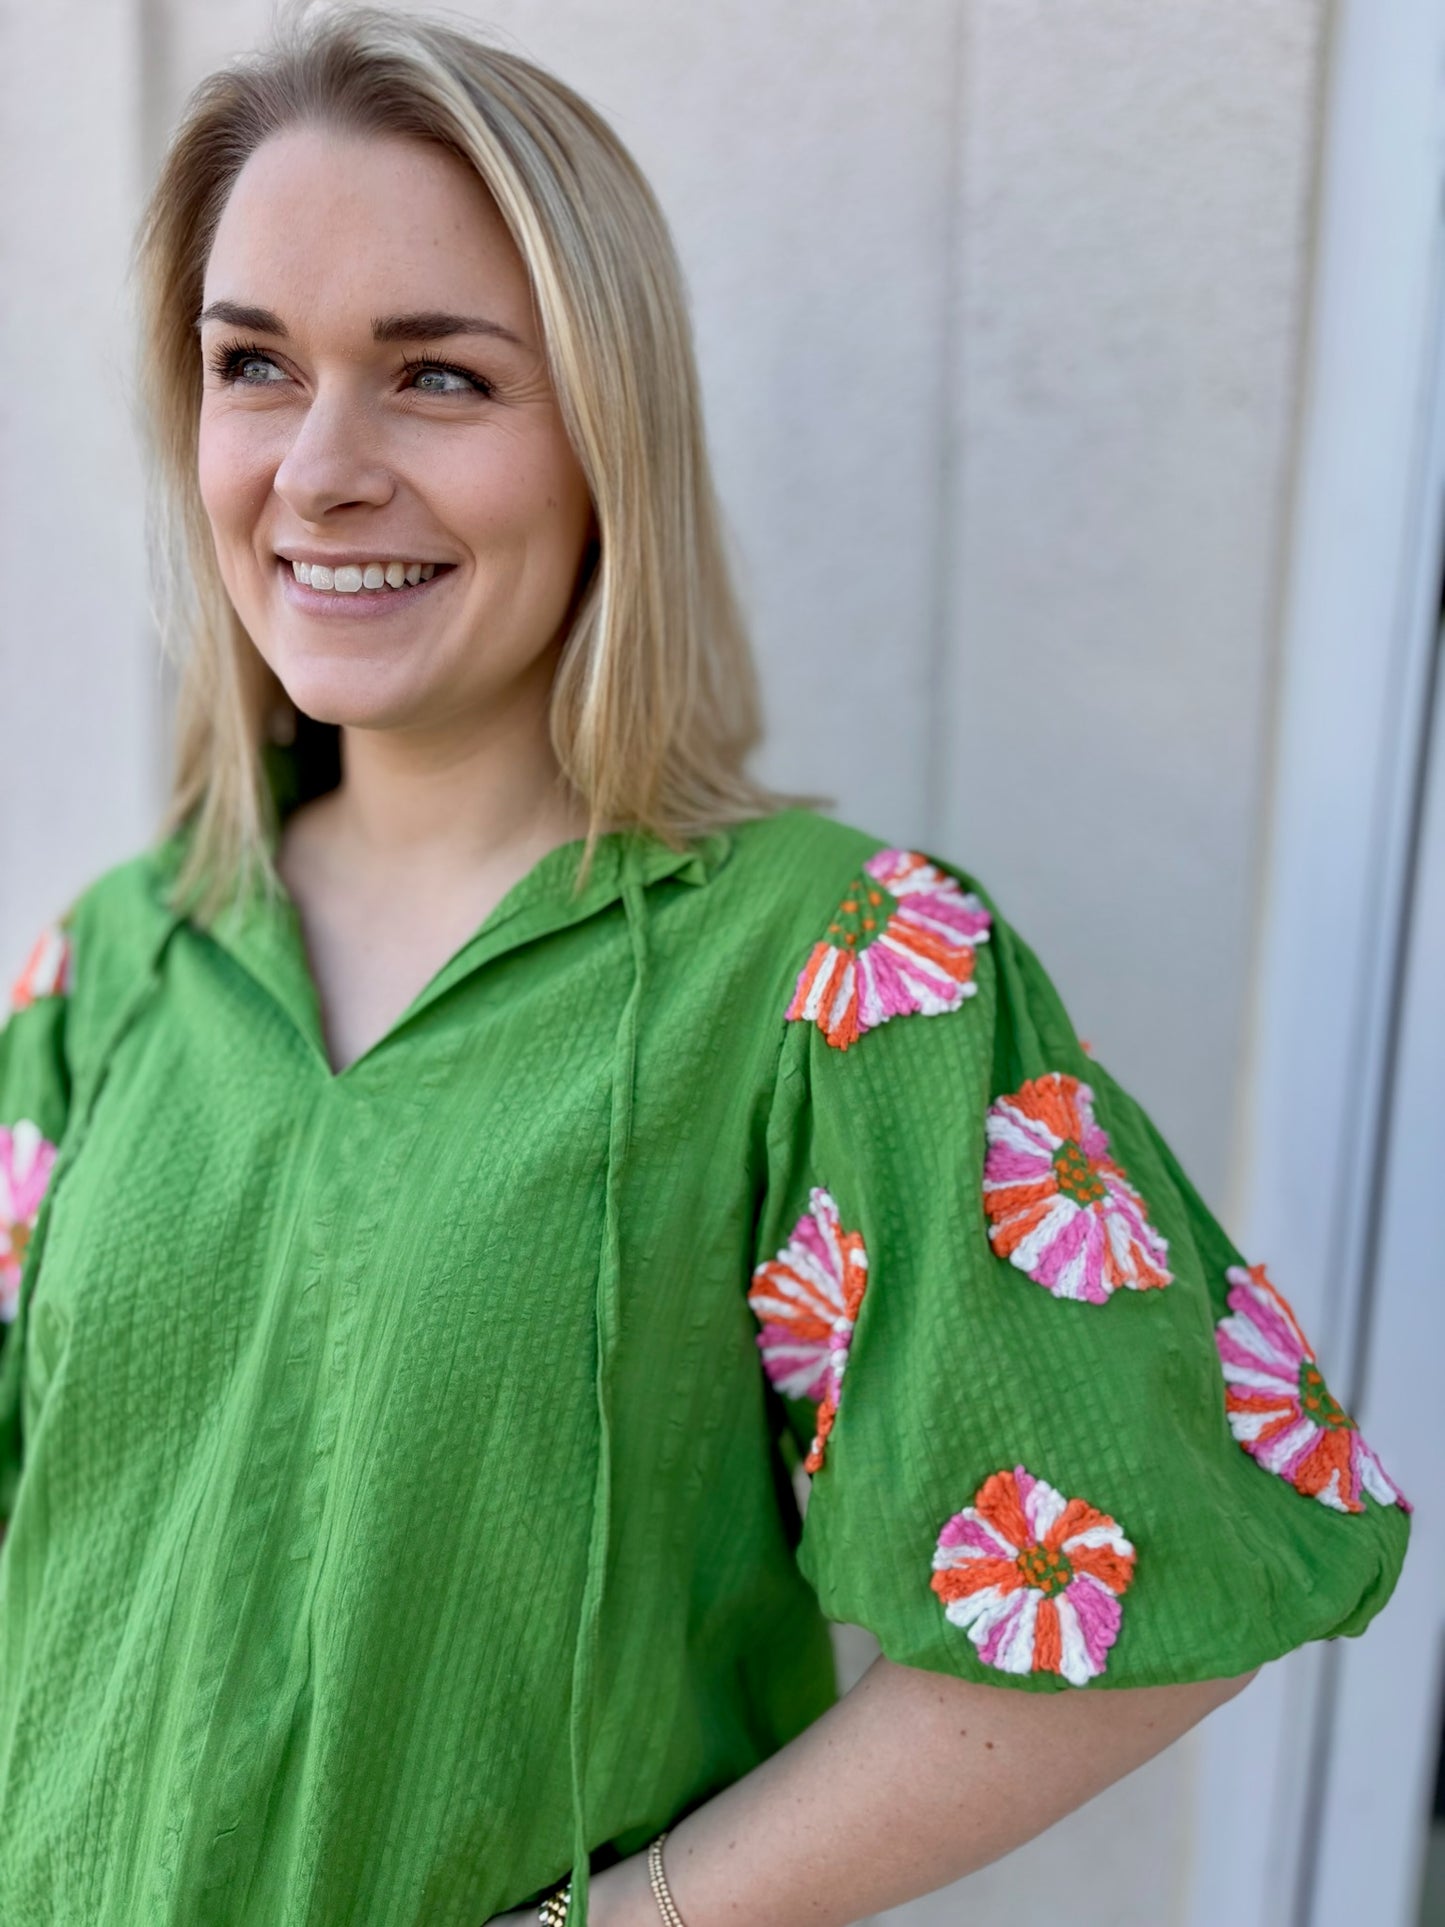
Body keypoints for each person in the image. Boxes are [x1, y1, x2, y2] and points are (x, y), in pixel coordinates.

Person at [0, 7, 1410, 1924]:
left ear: (604, 432)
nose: (319, 469)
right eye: (255, 366)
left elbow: (1157, 1572)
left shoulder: (837, 972)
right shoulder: (110, 974)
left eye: (435, 376)